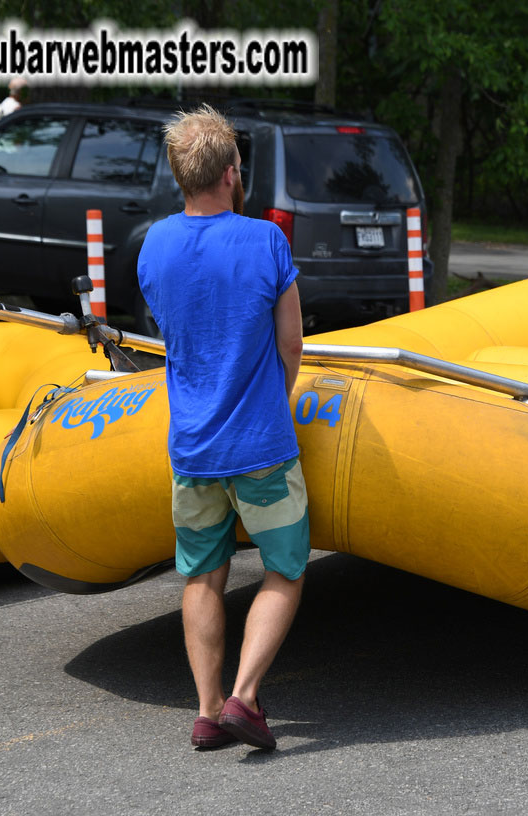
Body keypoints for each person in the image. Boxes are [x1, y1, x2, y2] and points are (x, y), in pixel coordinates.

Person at [137, 104, 309, 752]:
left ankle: (208, 711)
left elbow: (178, 336)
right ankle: (244, 696)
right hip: (261, 446)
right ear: (232, 173)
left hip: (192, 448)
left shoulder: (154, 244)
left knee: (202, 575)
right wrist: (274, 401)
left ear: (182, 175)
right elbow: (291, 343)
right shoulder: (267, 240)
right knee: (285, 568)